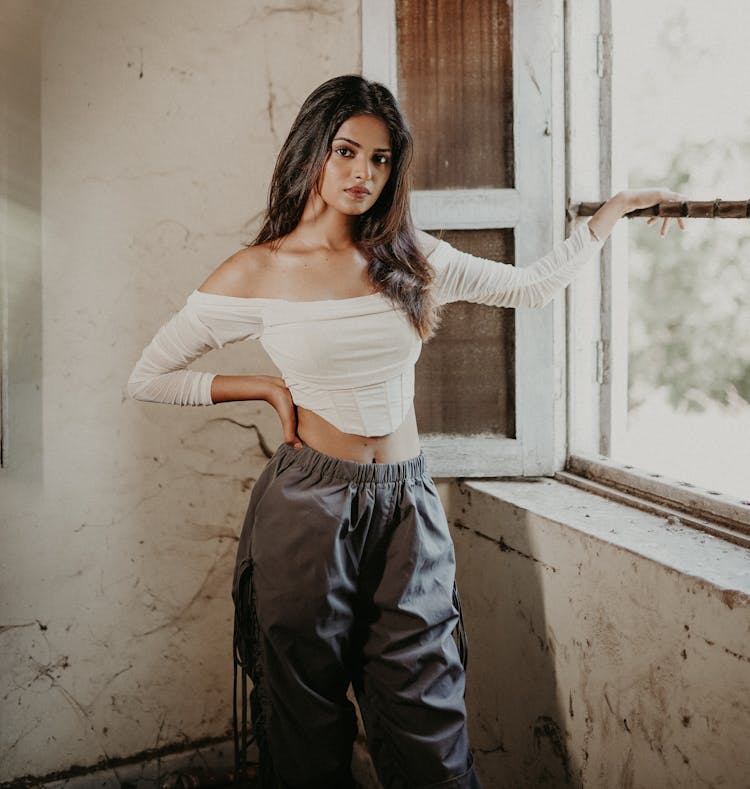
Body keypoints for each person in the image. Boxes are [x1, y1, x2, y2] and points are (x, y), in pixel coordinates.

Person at [127, 75, 684, 789]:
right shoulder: (258, 270)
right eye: (347, 151)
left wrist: (611, 215)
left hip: (407, 507)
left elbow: (533, 285)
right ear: (311, 154)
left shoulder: (412, 258)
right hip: (306, 509)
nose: (363, 173)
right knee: (306, 725)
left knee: (430, 724)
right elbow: (149, 374)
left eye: (382, 159)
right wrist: (262, 386)